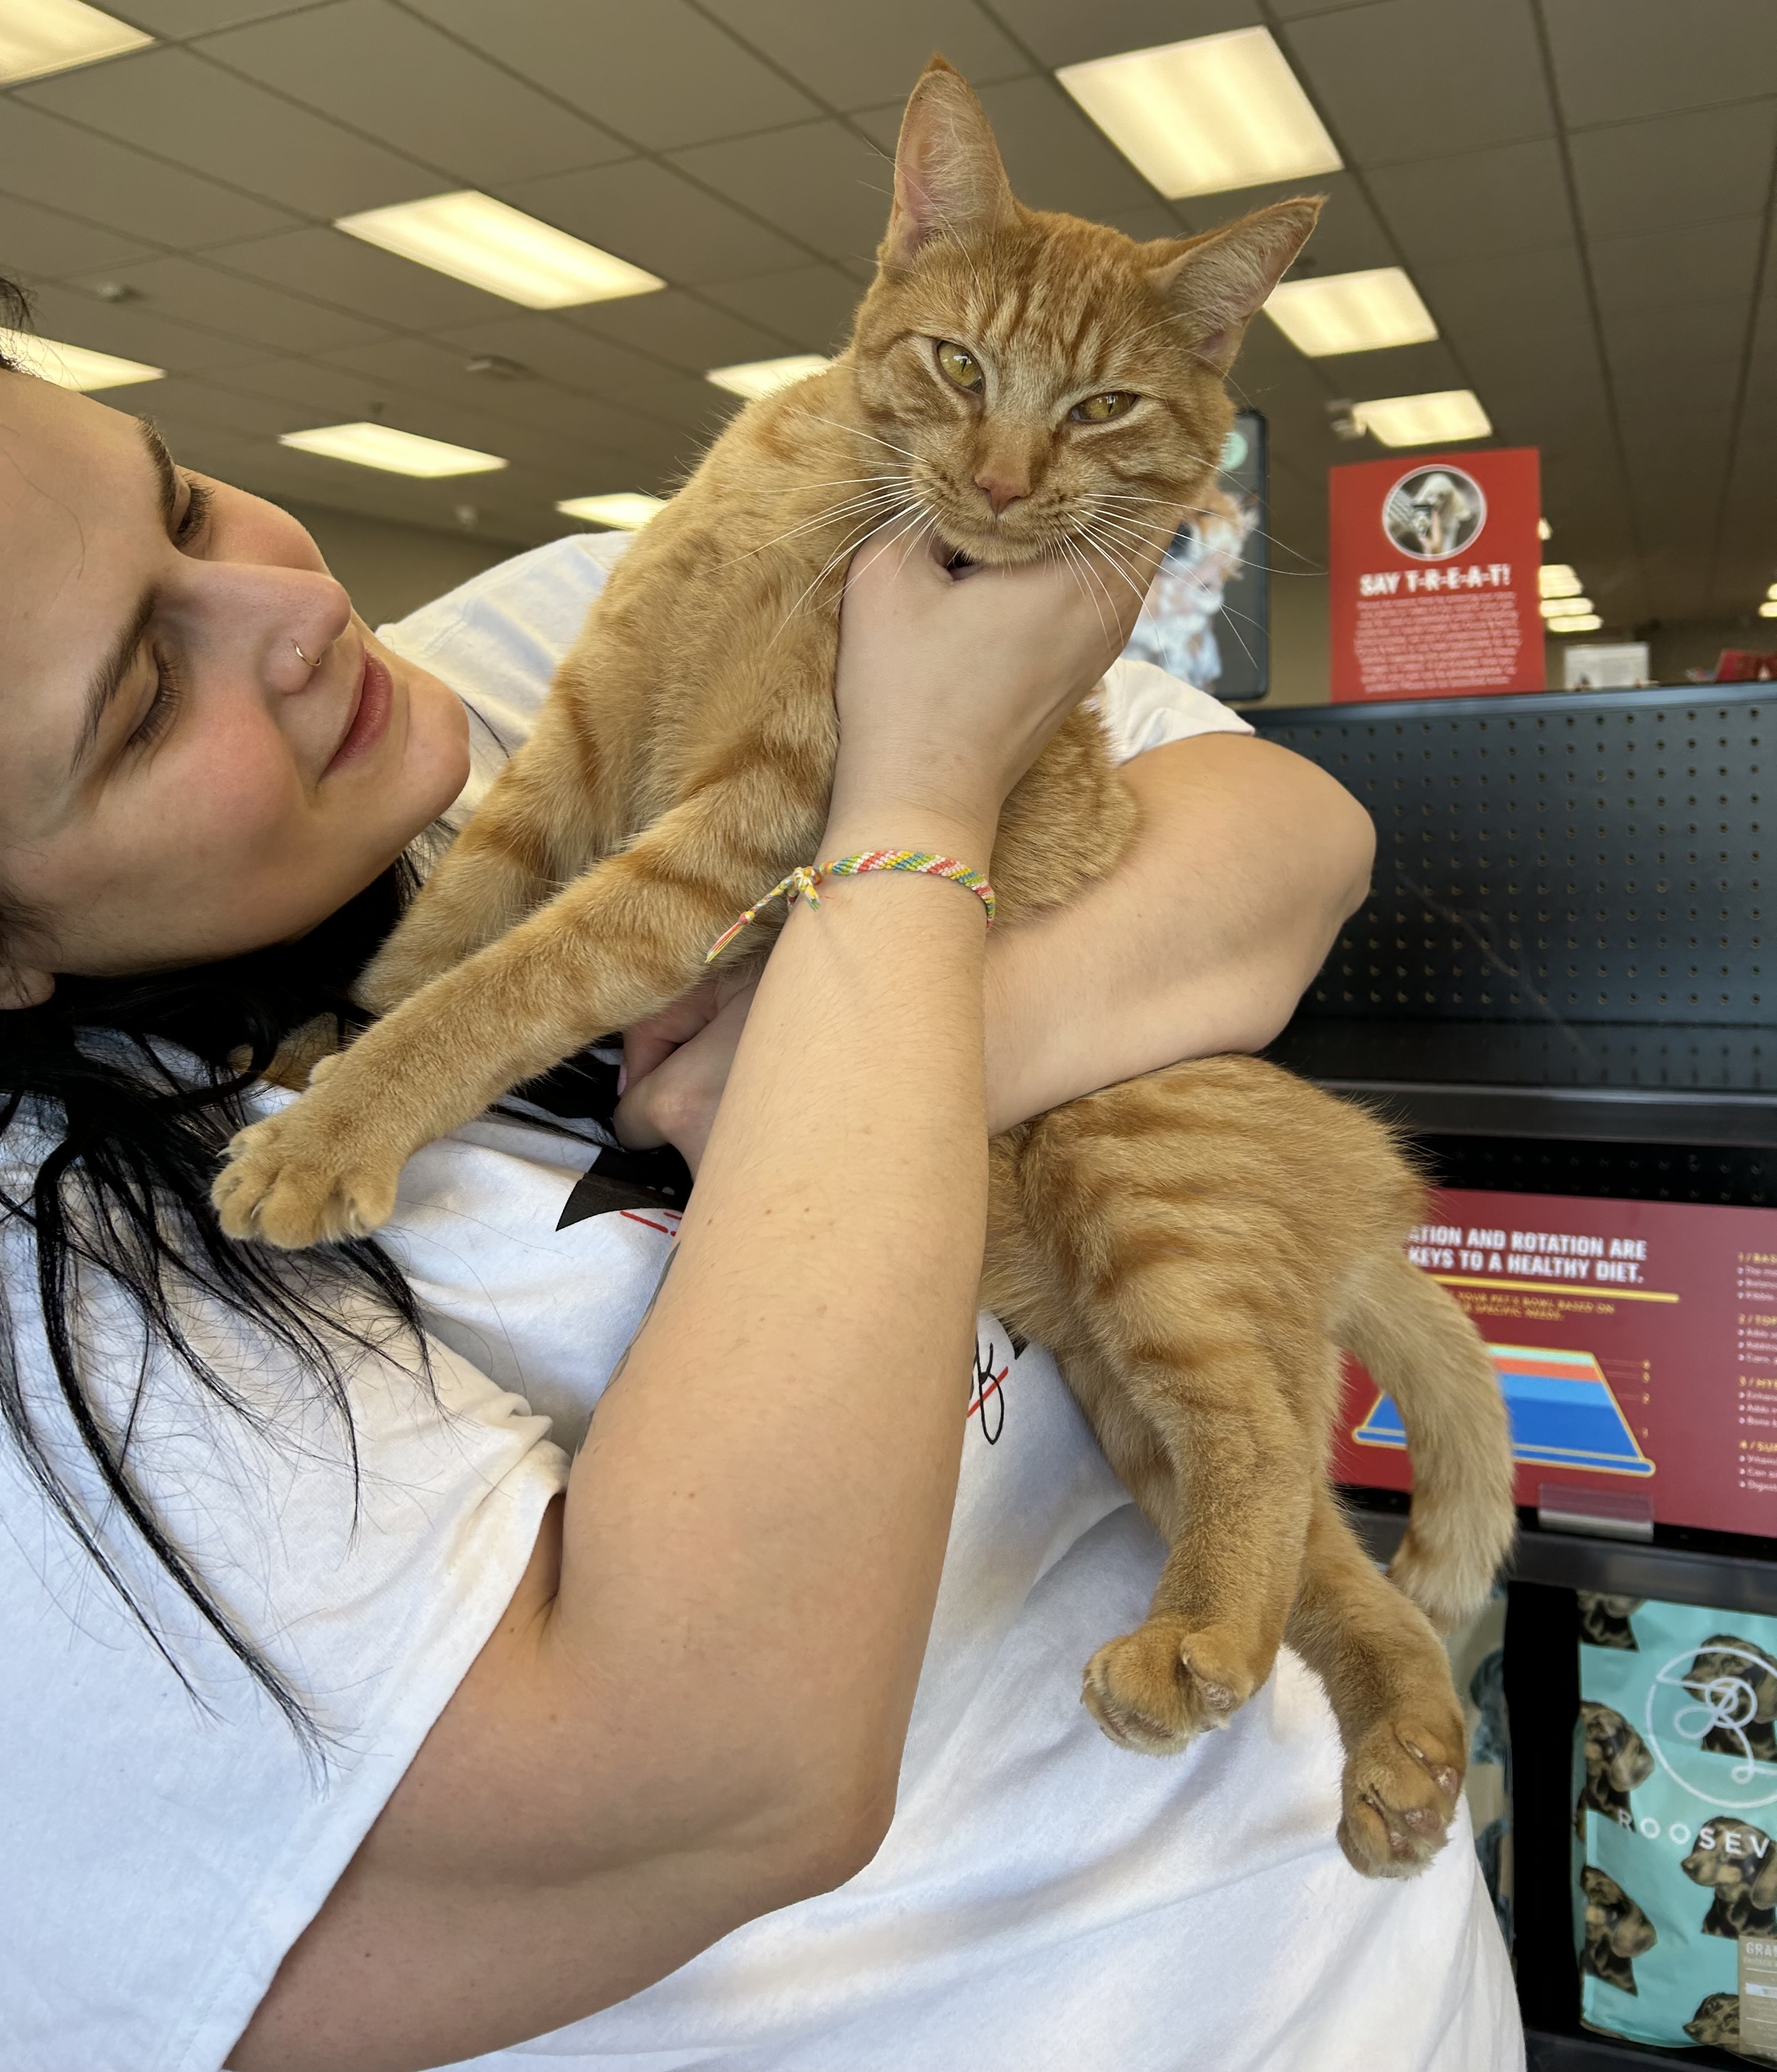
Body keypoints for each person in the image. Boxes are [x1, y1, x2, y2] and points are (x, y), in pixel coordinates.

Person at [0, 310, 1523, 2070]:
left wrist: (848, 1045)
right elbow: (719, 1779)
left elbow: (1296, 838)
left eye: (186, 501)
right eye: (144, 698)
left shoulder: (501, 655)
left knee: (1172, 1385)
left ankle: (1359, 1643)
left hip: (1388, 1986)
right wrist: (915, 830)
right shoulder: (68, 1304)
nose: (292, 612)